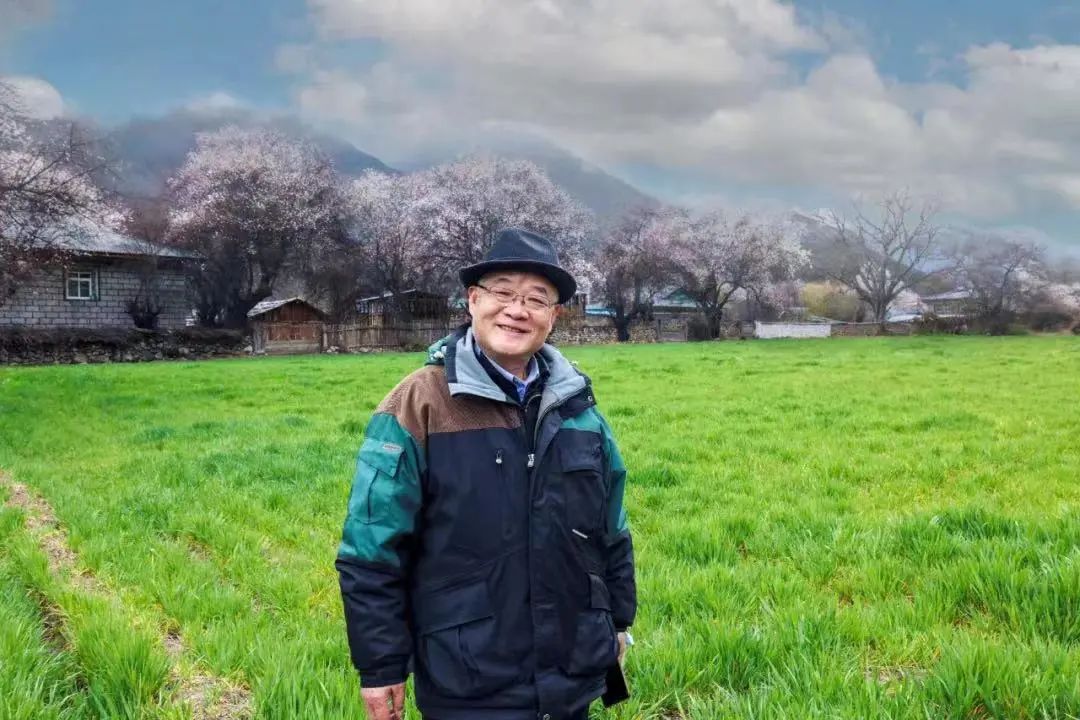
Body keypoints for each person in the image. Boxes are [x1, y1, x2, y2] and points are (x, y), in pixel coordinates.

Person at [336, 228, 637, 720]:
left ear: (553, 317)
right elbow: (370, 550)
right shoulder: (419, 404)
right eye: (503, 292)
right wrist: (381, 666)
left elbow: (611, 530)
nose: (518, 310)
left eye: (537, 299)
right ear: (473, 300)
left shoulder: (580, 410)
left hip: (569, 671)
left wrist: (617, 622)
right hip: (467, 678)